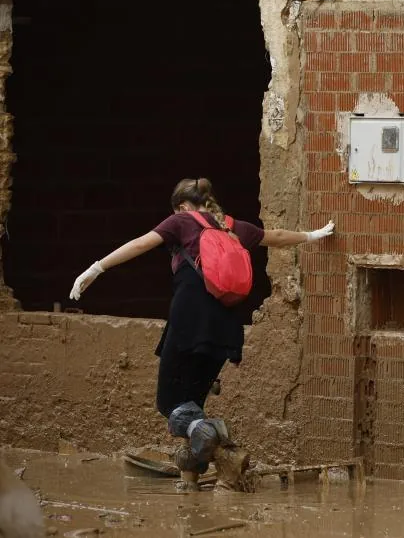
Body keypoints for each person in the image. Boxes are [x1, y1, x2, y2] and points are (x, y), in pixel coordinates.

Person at [69, 178, 334, 480]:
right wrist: (315, 234)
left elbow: (142, 243)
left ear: (182, 206)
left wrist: (96, 268)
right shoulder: (232, 225)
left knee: (168, 403)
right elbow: (277, 236)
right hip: (227, 328)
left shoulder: (181, 221)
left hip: (189, 321)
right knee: (192, 403)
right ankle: (191, 477)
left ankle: (211, 433)